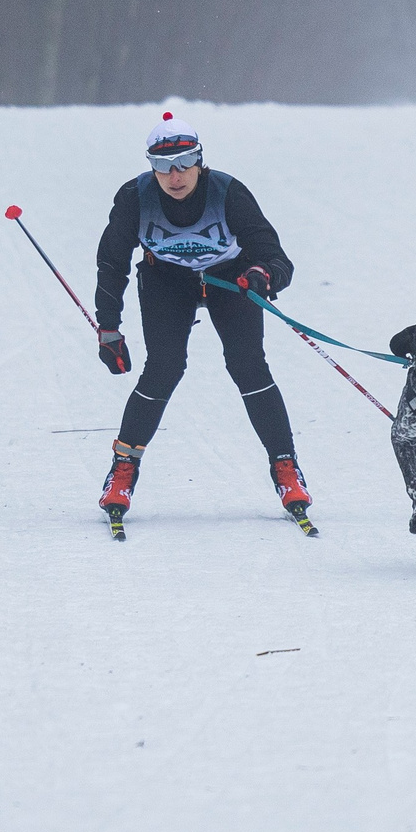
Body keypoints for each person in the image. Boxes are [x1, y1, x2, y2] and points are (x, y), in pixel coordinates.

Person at [93, 111, 309, 524]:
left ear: (200, 160)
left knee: (248, 365)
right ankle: (123, 470)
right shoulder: (135, 197)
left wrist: (262, 275)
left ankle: (286, 467)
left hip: (231, 279)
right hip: (166, 281)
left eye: (185, 163)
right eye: (162, 166)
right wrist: (108, 328)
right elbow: (112, 263)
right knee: (164, 368)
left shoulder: (228, 192)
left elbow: (276, 257)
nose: (174, 176)